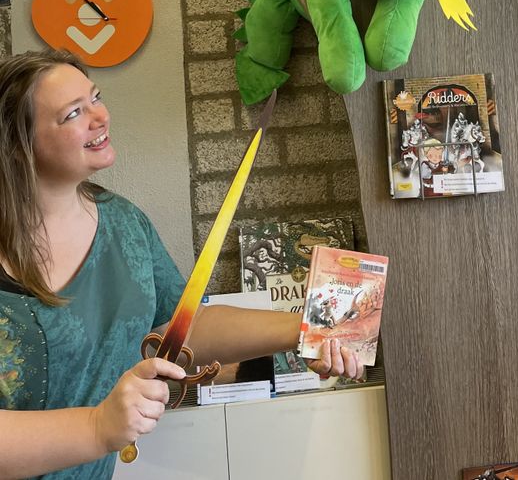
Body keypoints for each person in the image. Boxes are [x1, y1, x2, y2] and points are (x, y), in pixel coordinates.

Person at [0, 49, 363, 480]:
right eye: (73, 113)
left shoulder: (124, 225)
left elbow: (183, 326)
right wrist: (98, 427)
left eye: (96, 98)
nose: (100, 117)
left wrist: (311, 330)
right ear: (18, 145)